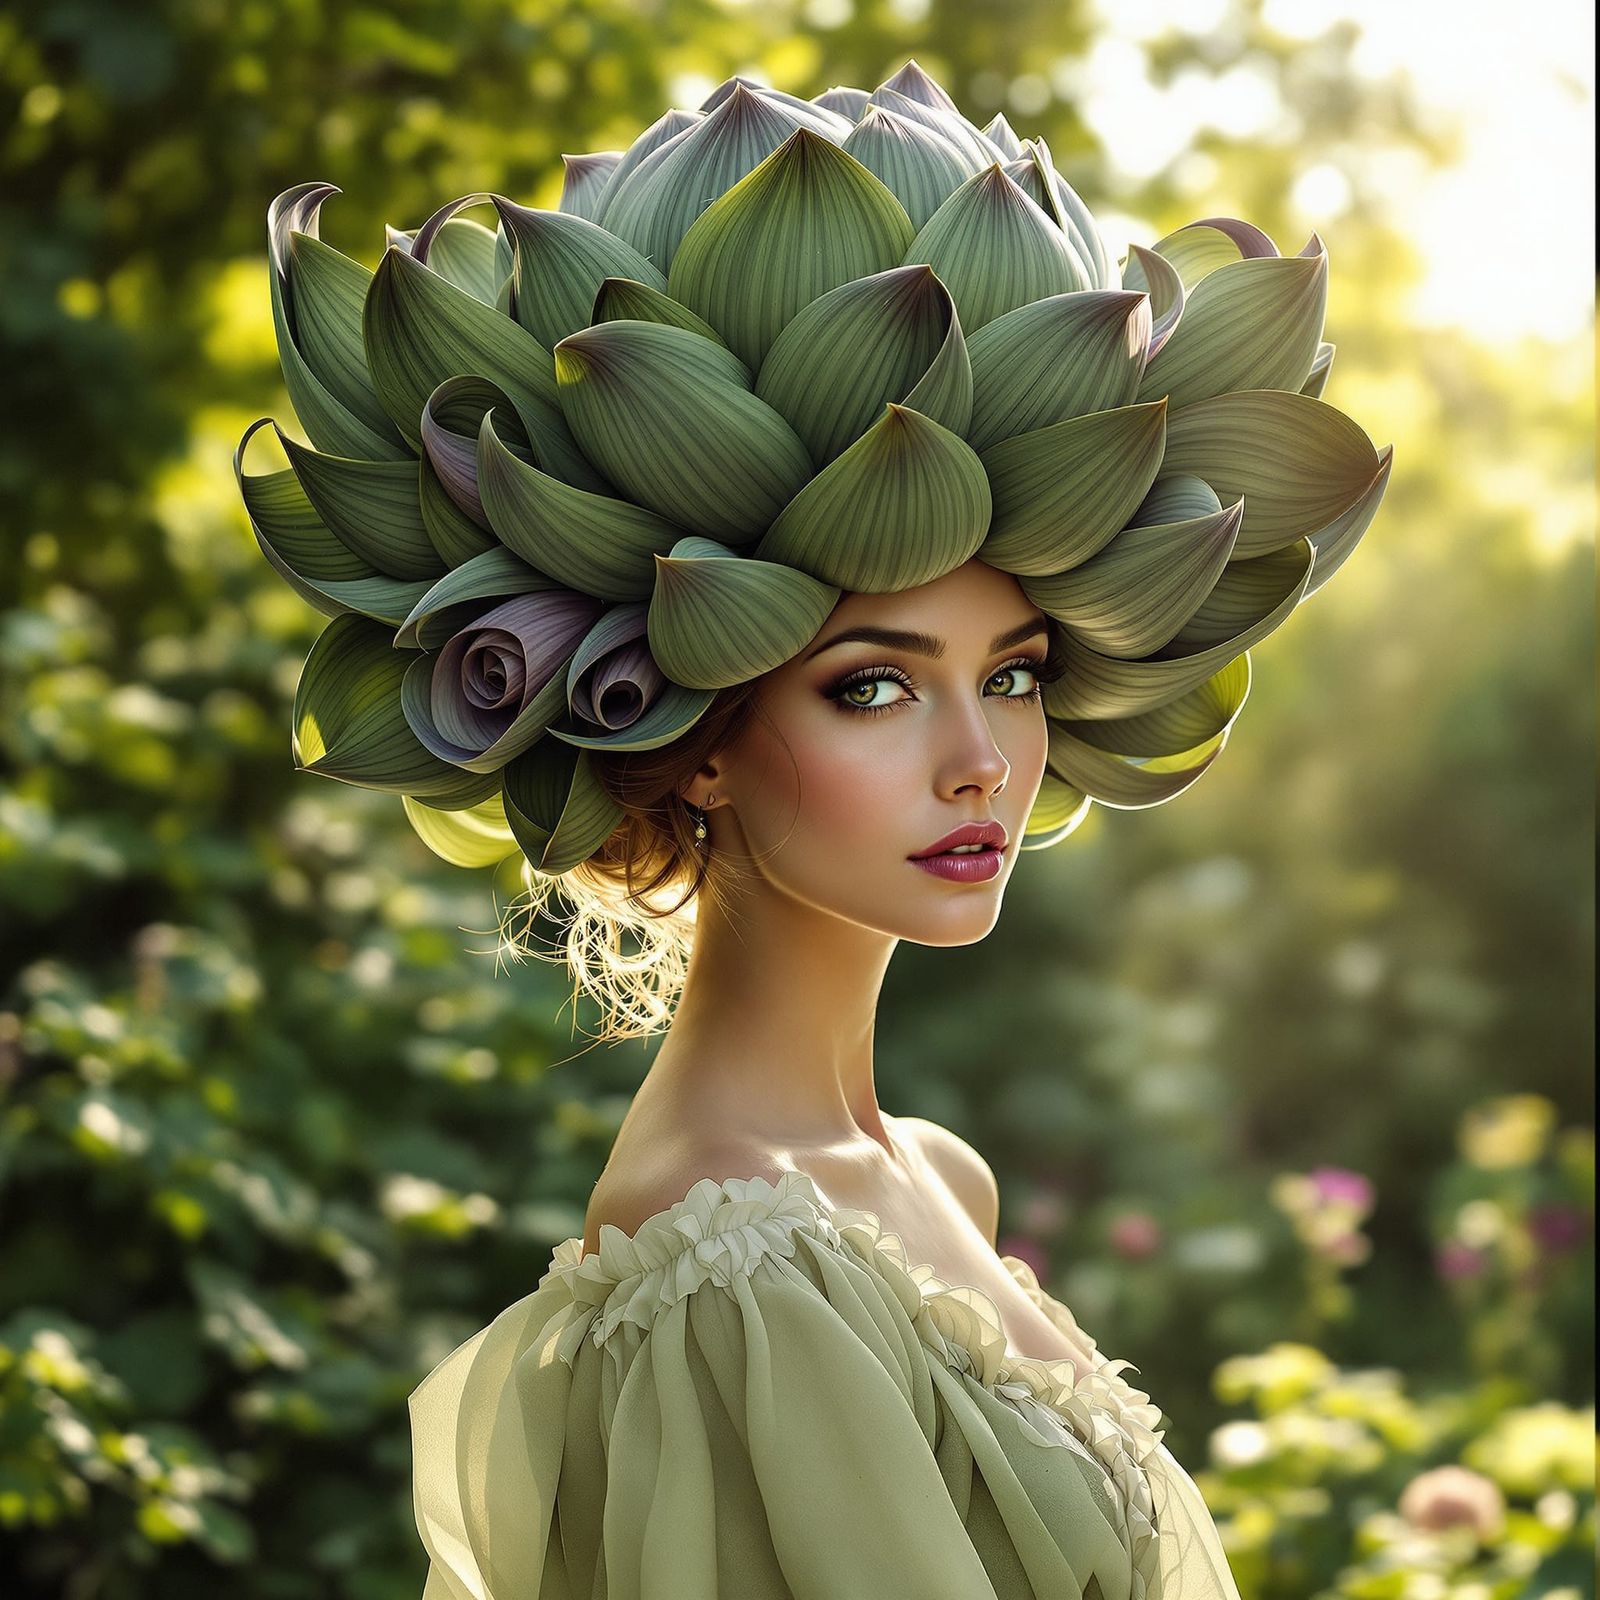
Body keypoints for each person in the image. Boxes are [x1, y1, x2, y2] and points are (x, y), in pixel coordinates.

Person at [239, 56, 1392, 1600]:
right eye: (872, 689)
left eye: (1015, 674)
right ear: (694, 734)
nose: (985, 760)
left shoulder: (932, 1177)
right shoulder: (734, 1264)